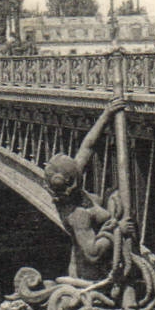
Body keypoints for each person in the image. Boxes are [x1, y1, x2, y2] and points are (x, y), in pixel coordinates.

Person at [43, 96, 130, 281]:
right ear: (73, 183)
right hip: (93, 275)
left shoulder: (70, 186)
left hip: (103, 265)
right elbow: (92, 253)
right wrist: (119, 230)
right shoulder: (78, 215)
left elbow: (87, 146)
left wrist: (107, 113)